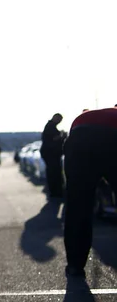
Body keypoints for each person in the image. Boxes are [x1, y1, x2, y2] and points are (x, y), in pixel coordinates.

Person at [63, 108, 117, 278]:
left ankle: (75, 267)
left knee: (78, 205)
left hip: (80, 134)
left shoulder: (89, 115)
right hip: (112, 136)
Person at [41, 113, 67, 198]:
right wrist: (62, 136)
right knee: (54, 173)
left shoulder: (50, 126)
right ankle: (55, 192)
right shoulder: (50, 127)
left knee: (53, 172)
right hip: (50, 153)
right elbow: (54, 138)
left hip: (51, 153)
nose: (60, 122)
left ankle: (55, 191)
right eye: (59, 120)